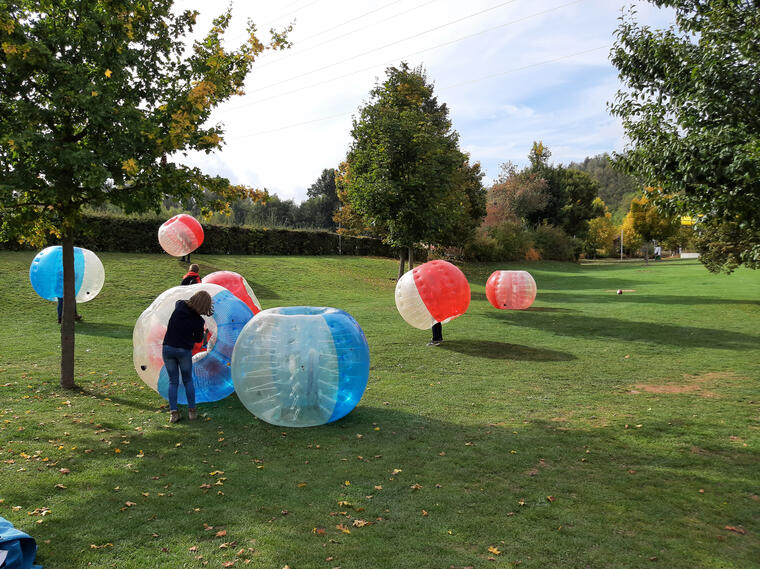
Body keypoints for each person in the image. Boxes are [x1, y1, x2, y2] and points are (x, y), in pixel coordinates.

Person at [162, 290, 213, 423]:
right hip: (183, 351)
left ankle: (174, 413)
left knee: (173, 381)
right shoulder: (199, 321)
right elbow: (197, 340)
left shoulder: (180, 306)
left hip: (168, 349)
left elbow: (180, 301)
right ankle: (192, 412)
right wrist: (201, 332)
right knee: (187, 380)